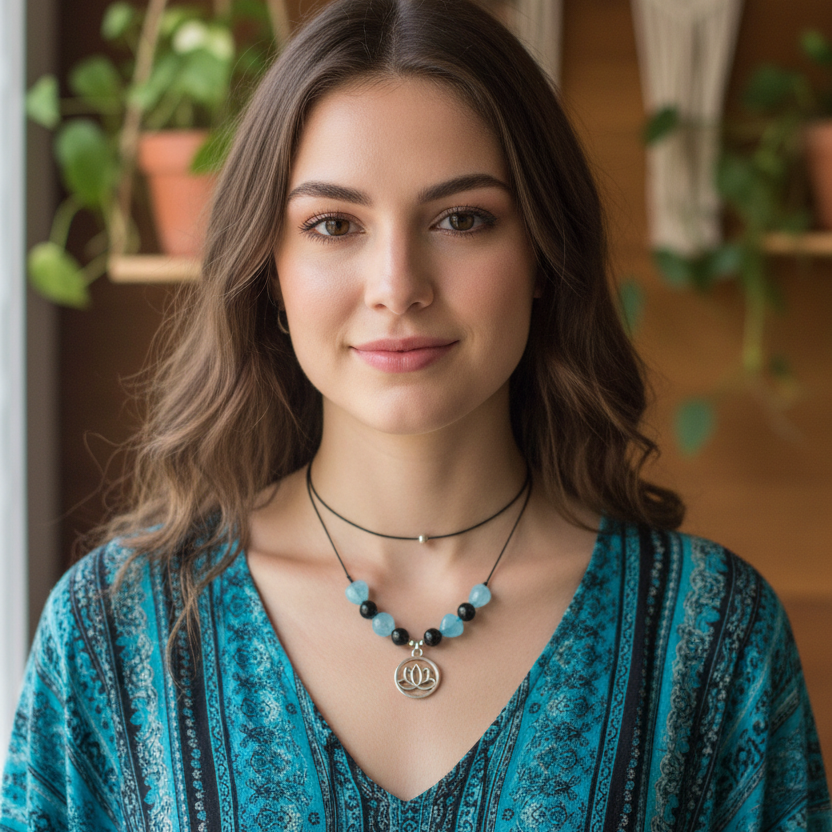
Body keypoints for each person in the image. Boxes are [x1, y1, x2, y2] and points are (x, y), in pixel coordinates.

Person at [2, 0, 830, 828]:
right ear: (269, 272)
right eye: (333, 224)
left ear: (544, 253)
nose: (397, 284)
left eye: (461, 219)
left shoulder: (712, 633)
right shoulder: (115, 630)